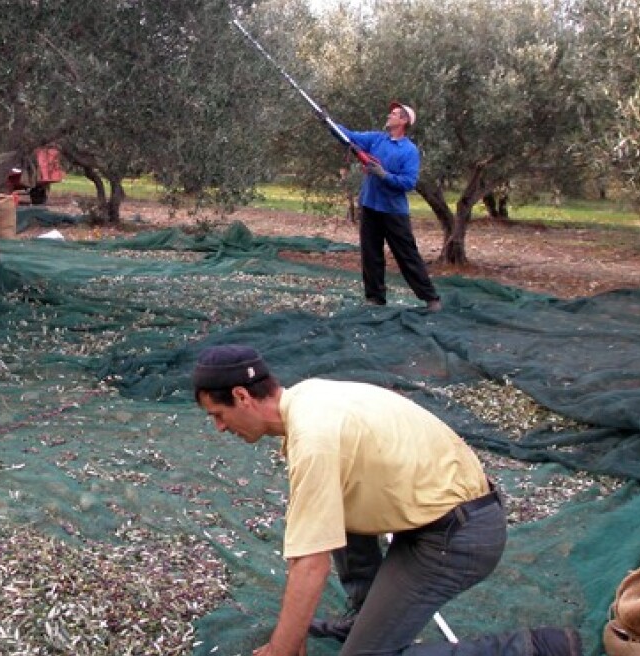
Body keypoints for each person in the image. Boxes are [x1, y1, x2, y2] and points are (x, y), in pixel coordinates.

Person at [191, 344, 582, 656]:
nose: (220, 428)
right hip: (435, 514)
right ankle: (366, 616)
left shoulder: (314, 438)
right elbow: (315, 535)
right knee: (330, 508)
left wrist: (281, 648)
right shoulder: (310, 396)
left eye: (218, 415)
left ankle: (533, 648)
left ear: (242, 396)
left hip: (459, 537)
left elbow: (311, 565)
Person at [334, 102, 442, 312]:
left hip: (393, 211)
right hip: (370, 205)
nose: (389, 115)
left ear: (404, 121)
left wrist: (384, 175)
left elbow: (408, 183)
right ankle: (375, 298)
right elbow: (350, 137)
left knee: (407, 255)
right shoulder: (377, 139)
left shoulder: (409, 151)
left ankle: (431, 298)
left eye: (393, 114)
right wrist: (329, 123)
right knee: (371, 254)